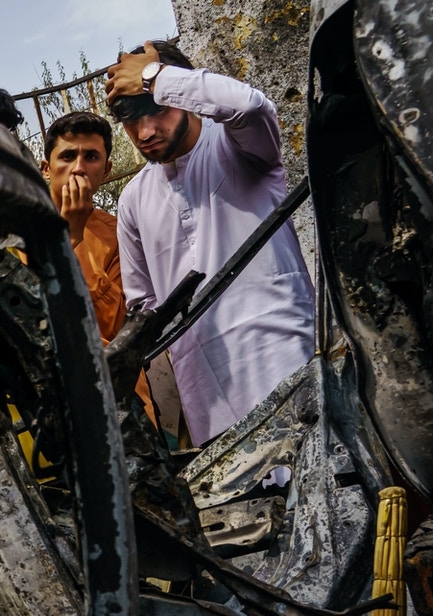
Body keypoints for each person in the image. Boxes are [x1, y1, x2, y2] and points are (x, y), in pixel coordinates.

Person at [106, 40, 314, 443]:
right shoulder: (133, 199)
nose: (145, 132)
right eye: (132, 121)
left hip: (282, 356)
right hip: (206, 392)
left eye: (157, 110)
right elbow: (144, 308)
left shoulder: (238, 146)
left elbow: (251, 106)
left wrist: (154, 76)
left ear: (179, 93)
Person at [39, 111, 157, 422]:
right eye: (67, 156)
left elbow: (116, 329)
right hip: (49, 405)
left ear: (105, 170)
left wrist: (74, 236)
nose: (78, 168)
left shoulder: (119, 234)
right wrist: (68, 235)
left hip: (119, 400)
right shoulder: (18, 229)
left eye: (90, 156)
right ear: (46, 168)